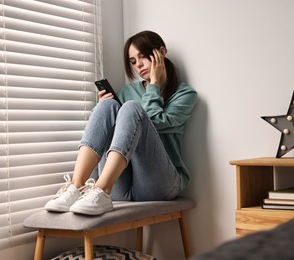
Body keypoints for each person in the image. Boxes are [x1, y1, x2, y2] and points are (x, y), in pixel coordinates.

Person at [45, 30, 197, 215]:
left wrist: (154, 85)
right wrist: (100, 107)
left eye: (143, 57)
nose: (138, 65)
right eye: (133, 61)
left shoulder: (184, 94)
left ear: (161, 53)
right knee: (107, 104)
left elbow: (154, 120)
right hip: (120, 185)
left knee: (131, 108)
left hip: (161, 185)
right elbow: (105, 133)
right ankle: (77, 186)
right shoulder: (126, 92)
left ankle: (101, 189)